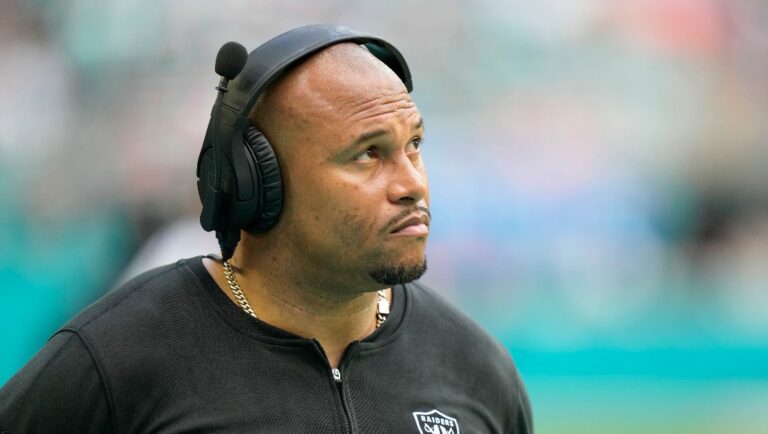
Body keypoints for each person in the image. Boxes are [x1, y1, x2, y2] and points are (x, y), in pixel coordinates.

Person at [0, 25, 532, 433]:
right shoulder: (113, 358)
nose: (412, 183)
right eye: (368, 154)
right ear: (258, 181)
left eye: (413, 145)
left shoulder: (476, 367)